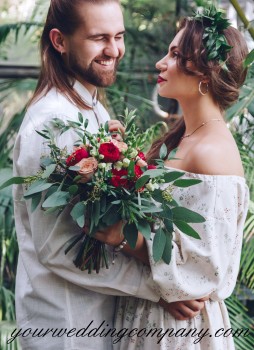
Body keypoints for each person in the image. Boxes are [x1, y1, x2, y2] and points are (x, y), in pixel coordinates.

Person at [12, 1, 206, 349]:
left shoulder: (90, 106)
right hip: (68, 326)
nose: (114, 50)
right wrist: (159, 288)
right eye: (99, 38)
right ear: (59, 41)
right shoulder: (53, 124)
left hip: (101, 320)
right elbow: (57, 246)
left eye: (118, 36)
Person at [94, 8, 250, 350]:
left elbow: (203, 270)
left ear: (205, 75)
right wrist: (118, 160)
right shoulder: (184, 136)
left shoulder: (213, 153)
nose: (161, 63)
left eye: (176, 55)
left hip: (179, 330)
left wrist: (124, 239)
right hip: (152, 316)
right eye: (168, 52)